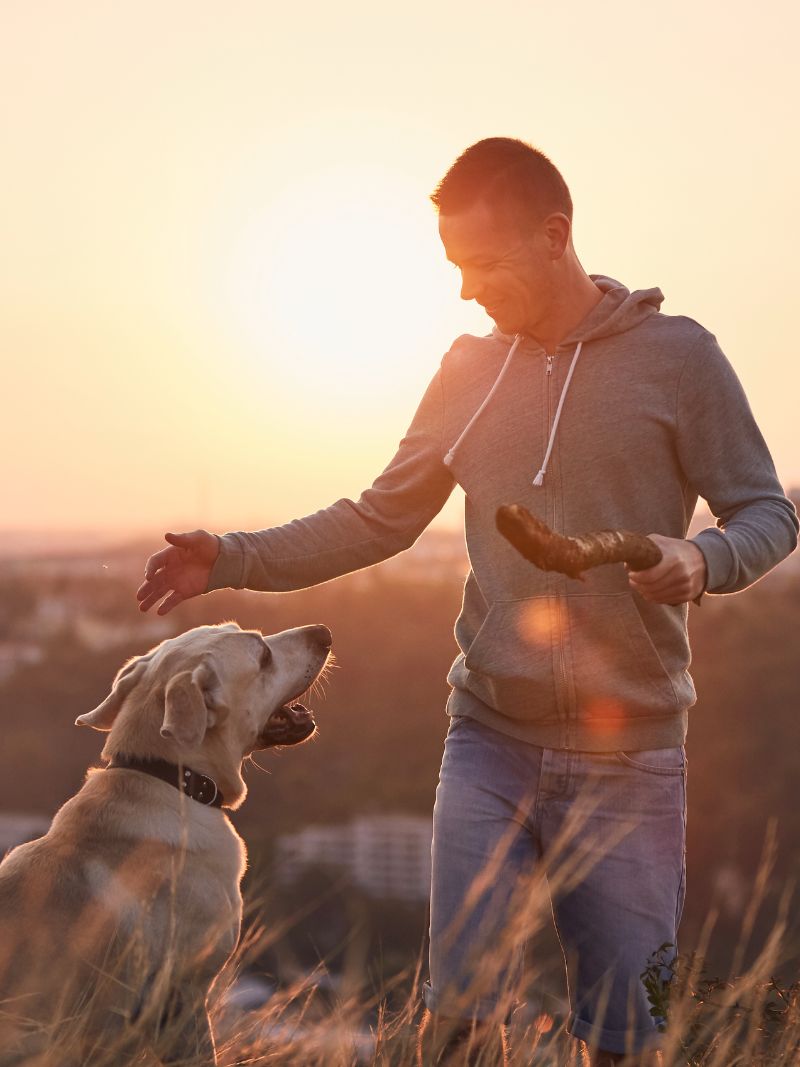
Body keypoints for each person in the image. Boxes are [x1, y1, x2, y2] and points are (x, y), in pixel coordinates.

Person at [137, 138, 798, 1065]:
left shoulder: (679, 358)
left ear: (554, 236)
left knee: (627, 1037)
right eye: (453, 266)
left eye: (481, 264)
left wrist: (708, 556)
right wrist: (231, 556)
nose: (464, 290)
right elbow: (378, 519)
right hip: (488, 739)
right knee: (459, 1025)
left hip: (632, 757)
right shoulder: (466, 370)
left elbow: (768, 510)